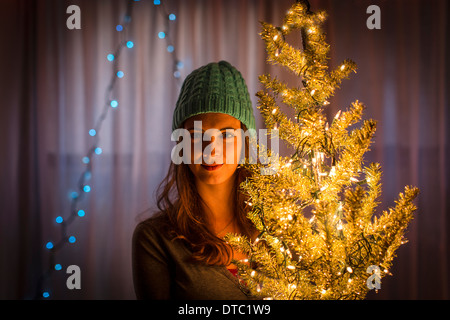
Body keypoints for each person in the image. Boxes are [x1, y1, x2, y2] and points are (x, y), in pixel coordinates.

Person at [132, 61, 258, 299]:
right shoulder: (155, 239)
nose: (211, 149)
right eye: (196, 135)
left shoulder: (278, 226)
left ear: (244, 140)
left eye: (226, 135)